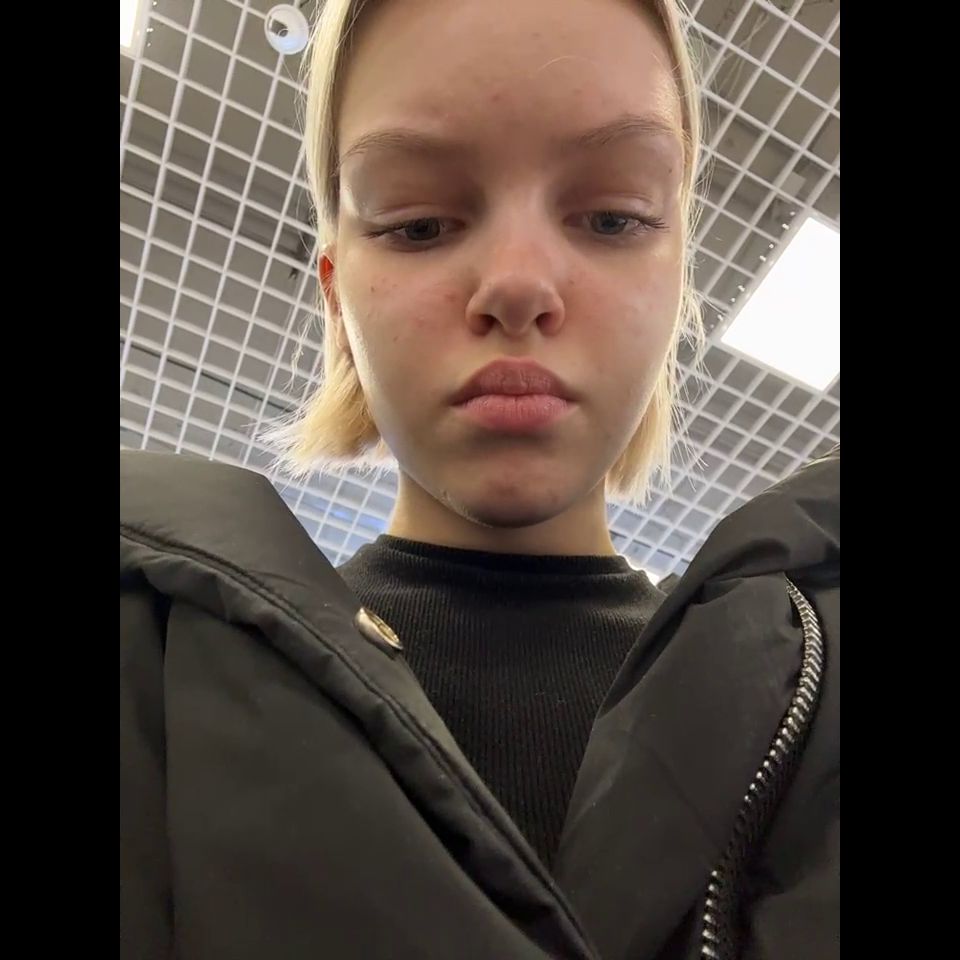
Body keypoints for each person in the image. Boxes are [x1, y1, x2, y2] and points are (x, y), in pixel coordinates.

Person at [120, 0, 840, 957]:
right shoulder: (157, 696)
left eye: (614, 218)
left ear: (675, 287)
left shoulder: (815, 710)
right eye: (418, 224)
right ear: (338, 300)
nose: (517, 284)